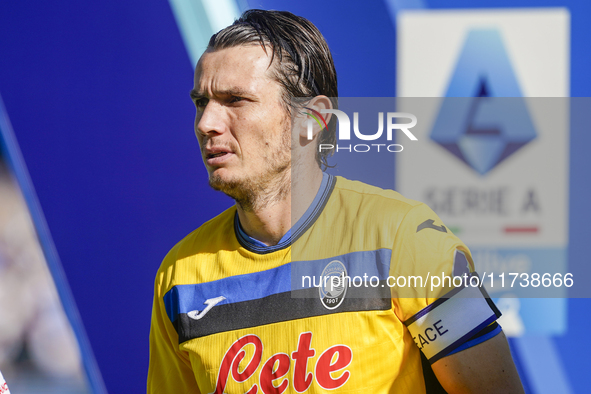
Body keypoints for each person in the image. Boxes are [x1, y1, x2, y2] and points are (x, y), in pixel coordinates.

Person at [148, 9, 524, 393]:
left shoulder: (402, 238)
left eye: (236, 100)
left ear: (312, 120)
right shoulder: (180, 277)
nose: (206, 122)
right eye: (200, 102)